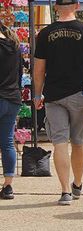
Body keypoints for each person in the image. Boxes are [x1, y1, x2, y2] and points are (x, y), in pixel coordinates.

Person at [34, 0, 83, 205]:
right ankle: (77, 183)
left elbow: (39, 70)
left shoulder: (45, 34)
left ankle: (65, 191)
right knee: (78, 142)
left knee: (59, 143)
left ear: (56, 8)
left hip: (54, 95)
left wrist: (37, 94)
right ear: (77, 6)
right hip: (80, 93)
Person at [0, 21, 22, 199]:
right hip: (13, 98)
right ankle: (8, 186)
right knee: (7, 142)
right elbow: (20, 74)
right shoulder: (14, 45)